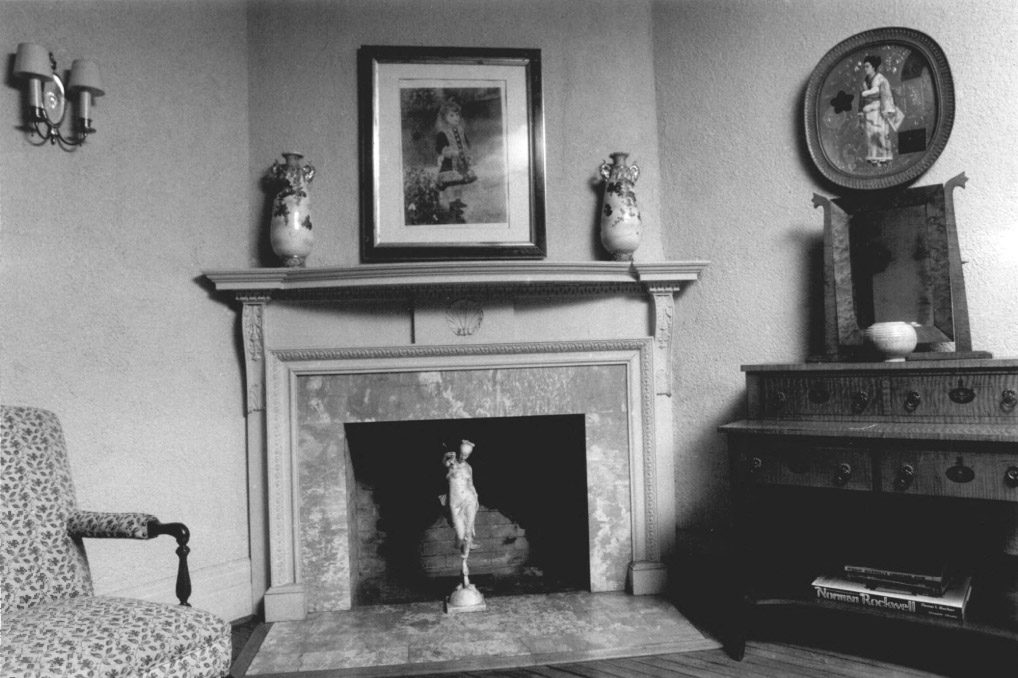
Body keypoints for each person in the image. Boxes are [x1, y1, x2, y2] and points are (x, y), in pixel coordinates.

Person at [434, 99, 477, 215]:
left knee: (460, 182)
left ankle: (458, 201)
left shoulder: (460, 130)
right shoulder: (442, 133)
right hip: (449, 162)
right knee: (450, 184)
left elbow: (466, 143)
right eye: (451, 115)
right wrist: (449, 152)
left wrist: (467, 153)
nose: (456, 118)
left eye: (457, 114)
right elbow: (439, 148)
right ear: (444, 118)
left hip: (461, 162)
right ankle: (452, 204)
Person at [859, 55, 902, 166]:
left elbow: (885, 94)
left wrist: (887, 109)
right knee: (870, 135)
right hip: (869, 112)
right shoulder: (865, 81)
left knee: (881, 134)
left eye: (867, 66)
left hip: (879, 111)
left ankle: (884, 158)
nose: (865, 69)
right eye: (864, 67)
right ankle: (874, 158)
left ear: (873, 67)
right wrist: (861, 112)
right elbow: (861, 98)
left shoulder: (880, 79)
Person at [443, 440, 478, 556]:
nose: (463, 456)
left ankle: (466, 555)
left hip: (469, 499)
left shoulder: (469, 467)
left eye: (466, 455)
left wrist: (476, 496)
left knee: (468, 530)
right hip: (456, 503)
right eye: (462, 453)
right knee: (460, 535)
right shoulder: (452, 463)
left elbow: (471, 484)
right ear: (458, 451)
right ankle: (461, 542)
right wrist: (446, 457)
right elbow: (445, 463)